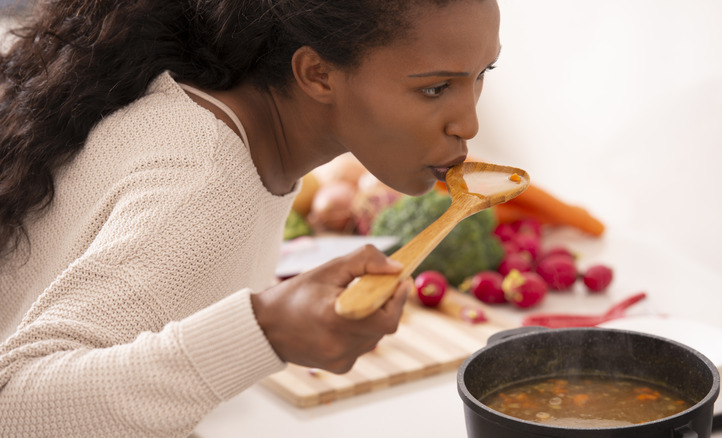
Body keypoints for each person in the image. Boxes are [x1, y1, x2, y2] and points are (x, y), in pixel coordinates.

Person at [0, 0, 501, 435]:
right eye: (435, 88)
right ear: (317, 74)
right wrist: (265, 332)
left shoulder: (202, 110)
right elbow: (12, 407)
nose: (470, 123)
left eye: (482, 76)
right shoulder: (206, 187)